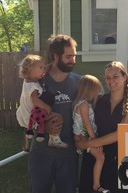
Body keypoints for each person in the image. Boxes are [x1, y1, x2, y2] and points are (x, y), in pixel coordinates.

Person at [76, 61, 128, 193]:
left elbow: (119, 134)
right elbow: (84, 121)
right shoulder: (98, 100)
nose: (111, 80)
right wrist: (79, 139)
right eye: (108, 77)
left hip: (117, 161)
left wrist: (88, 143)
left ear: (125, 77)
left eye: (115, 76)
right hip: (95, 158)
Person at [28, 34, 82, 193]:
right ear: (55, 56)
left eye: (74, 56)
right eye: (68, 56)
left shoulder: (79, 82)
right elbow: (25, 115)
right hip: (41, 153)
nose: (73, 60)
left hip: (68, 155)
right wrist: (43, 126)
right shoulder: (37, 82)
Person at [16, 54, 67, 151]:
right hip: (34, 115)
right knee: (58, 117)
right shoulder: (33, 87)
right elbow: (35, 100)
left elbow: (44, 70)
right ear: (30, 70)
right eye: (41, 68)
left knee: (27, 128)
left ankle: (26, 145)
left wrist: (51, 65)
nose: (43, 70)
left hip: (25, 114)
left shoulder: (27, 81)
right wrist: (47, 107)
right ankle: (54, 139)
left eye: (43, 67)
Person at [72, 75, 109, 192]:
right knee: (100, 157)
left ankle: (94, 184)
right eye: (96, 90)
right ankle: (96, 185)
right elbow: (87, 124)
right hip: (84, 137)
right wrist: (95, 141)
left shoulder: (82, 103)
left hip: (86, 136)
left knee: (98, 157)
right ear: (90, 89)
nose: (97, 93)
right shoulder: (83, 105)